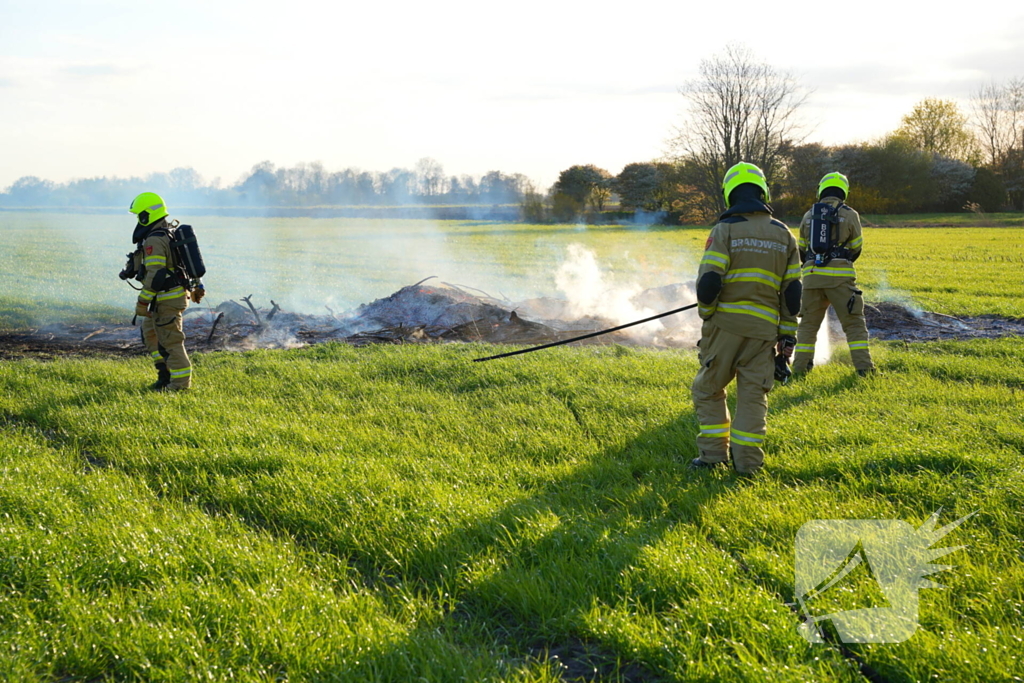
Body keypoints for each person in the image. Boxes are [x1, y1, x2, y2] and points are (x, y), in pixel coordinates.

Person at [690, 162, 802, 475]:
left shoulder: (725, 229)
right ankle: (749, 465)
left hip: (725, 327)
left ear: (730, 194)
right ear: (762, 191)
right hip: (764, 332)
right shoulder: (784, 235)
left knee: (708, 389)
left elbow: (710, 282)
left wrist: (707, 316)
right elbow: (792, 294)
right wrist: (787, 335)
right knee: (753, 396)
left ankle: (713, 457)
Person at [791, 172, 875, 376]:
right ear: (843, 191)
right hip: (840, 280)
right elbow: (856, 248)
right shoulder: (849, 214)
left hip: (811, 278)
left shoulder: (809, 215)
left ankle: (800, 370)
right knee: (854, 324)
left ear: (821, 190)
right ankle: (864, 369)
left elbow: (801, 249)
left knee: (808, 327)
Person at [128, 192, 203, 391]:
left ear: (146, 215)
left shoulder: (154, 239)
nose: (137, 220)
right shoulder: (166, 233)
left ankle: (179, 386)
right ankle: (165, 376)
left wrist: (142, 302)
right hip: (162, 299)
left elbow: (156, 274)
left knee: (171, 342)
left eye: (139, 215)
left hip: (166, 300)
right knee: (151, 334)